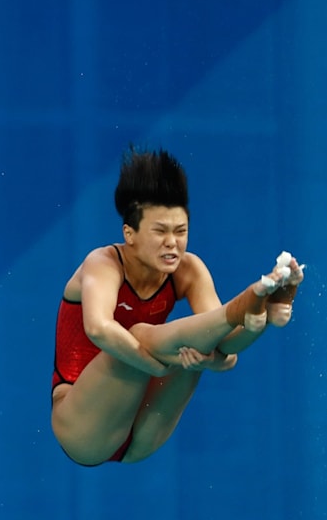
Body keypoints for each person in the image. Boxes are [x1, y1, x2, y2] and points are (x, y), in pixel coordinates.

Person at [50, 146, 304, 465]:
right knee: (144, 333)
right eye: (160, 231)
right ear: (130, 234)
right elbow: (98, 328)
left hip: (142, 436)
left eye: (181, 231)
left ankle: (262, 311)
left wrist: (230, 343)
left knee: (200, 347)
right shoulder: (103, 263)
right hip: (82, 428)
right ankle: (247, 302)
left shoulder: (189, 268)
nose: (173, 242)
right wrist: (159, 364)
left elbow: (228, 354)